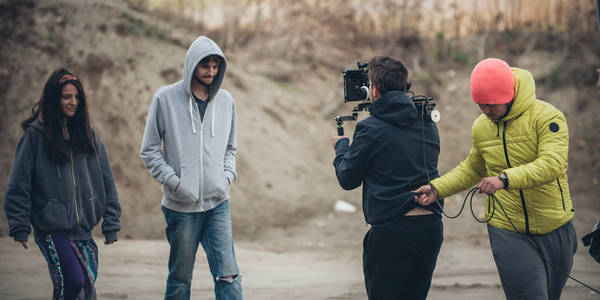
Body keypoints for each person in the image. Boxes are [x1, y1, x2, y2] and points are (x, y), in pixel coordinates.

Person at [414, 58, 577, 300]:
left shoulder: (547, 117)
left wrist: (504, 179)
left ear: (509, 96)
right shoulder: (481, 126)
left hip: (555, 224)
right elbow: (472, 168)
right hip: (507, 228)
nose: (485, 111)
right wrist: (438, 189)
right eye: (480, 105)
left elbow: (552, 164)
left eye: (491, 105)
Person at [331, 55, 443, 300]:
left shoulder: (370, 128)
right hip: (430, 228)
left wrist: (342, 148)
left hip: (393, 231)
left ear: (373, 89)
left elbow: (348, 178)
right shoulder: (428, 122)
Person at [4, 68, 122, 300]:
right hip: (51, 229)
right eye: (66, 96)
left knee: (85, 287)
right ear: (53, 98)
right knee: (74, 280)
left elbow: (107, 181)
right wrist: (19, 224)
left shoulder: (88, 136)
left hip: (84, 230)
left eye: (77, 97)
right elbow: (19, 184)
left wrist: (111, 221)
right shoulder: (35, 137)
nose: (73, 102)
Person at [140, 36, 241, 300]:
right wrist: (174, 183)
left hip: (218, 203)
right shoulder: (165, 99)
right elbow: (149, 150)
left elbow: (231, 148)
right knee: (180, 280)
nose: (210, 71)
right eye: (204, 65)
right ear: (191, 64)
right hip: (180, 208)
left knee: (228, 275)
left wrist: (227, 177)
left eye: (215, 66)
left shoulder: (227, 101)